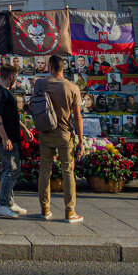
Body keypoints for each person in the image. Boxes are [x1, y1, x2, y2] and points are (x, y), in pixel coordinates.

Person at [34, 54, 84, 223]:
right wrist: (81, 142)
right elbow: (77, 117)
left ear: (50, 67)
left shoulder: (41, 85)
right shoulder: (72, 87)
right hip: (65, 134)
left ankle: (45, 209)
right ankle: (70, 212)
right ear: (64, 68)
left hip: (46, 133)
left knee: (45, 171)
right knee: (68, 172)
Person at [0, 62, 27, 218]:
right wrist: (4, 138)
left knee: (9, 168)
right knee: (12, 169)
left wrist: (24, 129)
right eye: (16, 76)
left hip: (9, 136)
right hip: (3, 137)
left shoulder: (5, 91)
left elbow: (11, 116)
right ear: (11, 76)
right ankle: (2, 203)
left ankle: (8, 201)